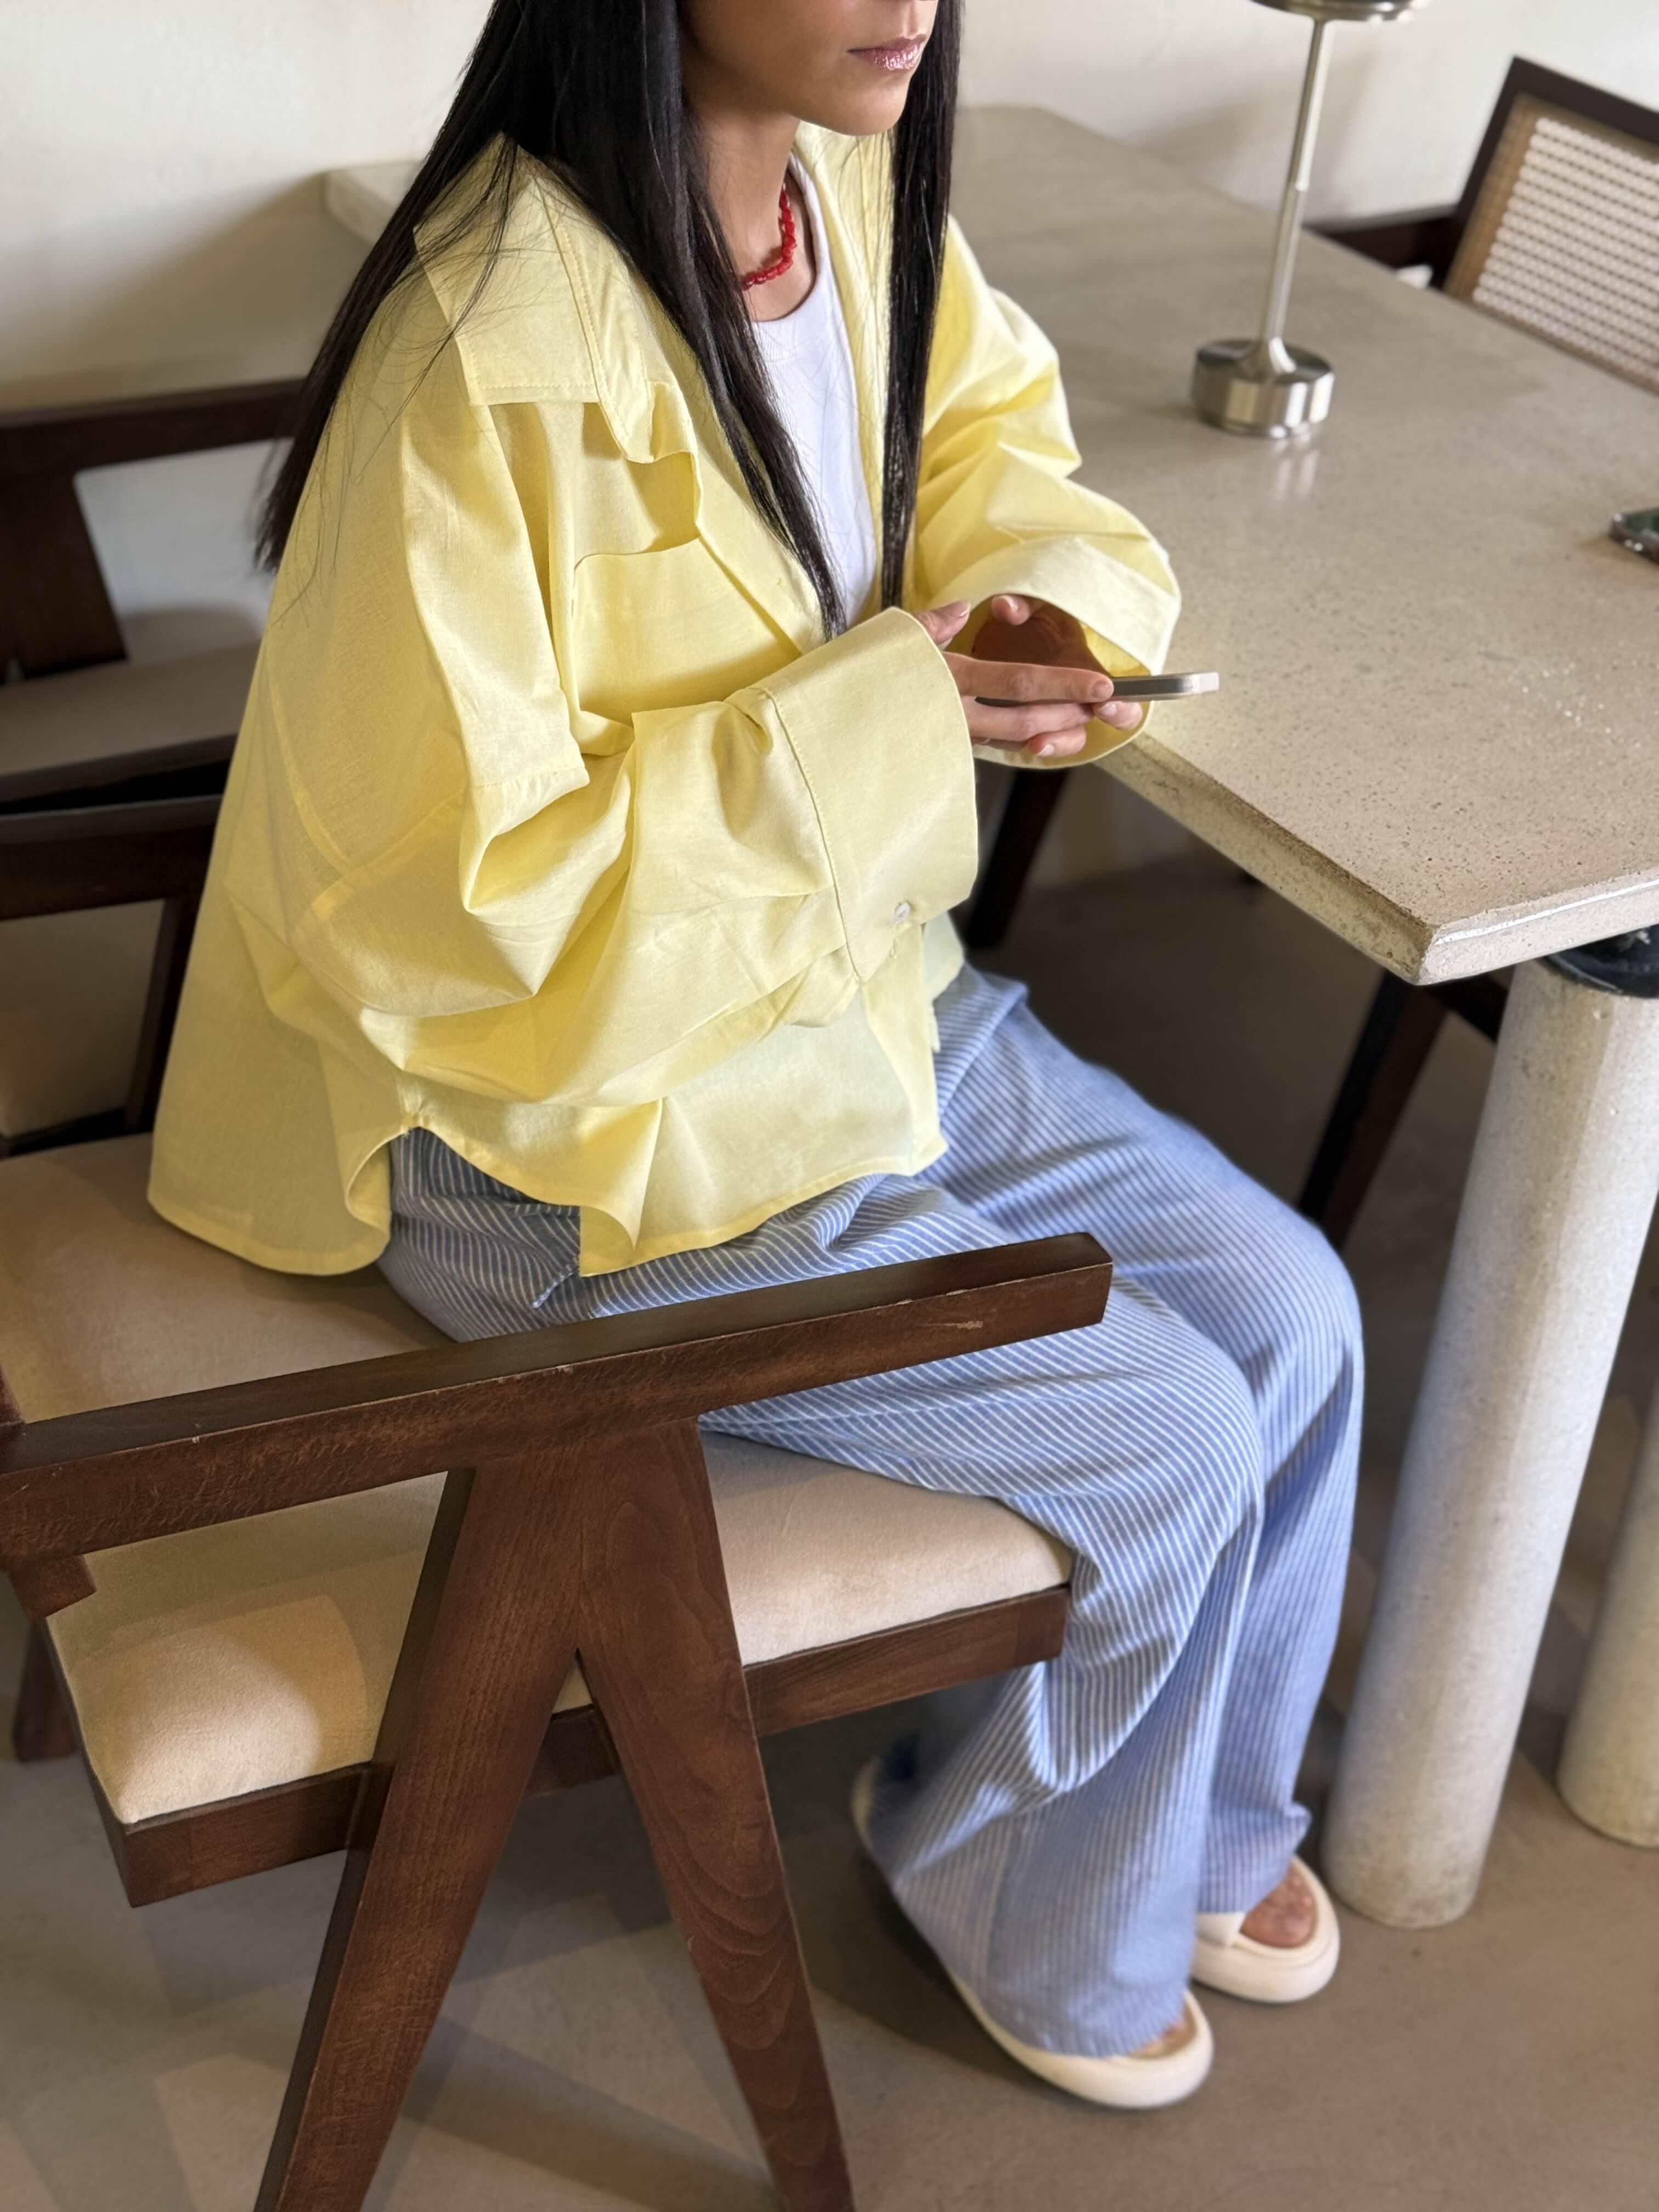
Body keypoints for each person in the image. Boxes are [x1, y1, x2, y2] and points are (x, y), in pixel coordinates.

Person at [150, 0, 1362, 2109]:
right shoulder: (476, 356)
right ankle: (1018, 1893)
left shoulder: (853, 201)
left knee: (1298, 1313)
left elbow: (996, 457)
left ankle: (1199, 1832)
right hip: (553, 1138)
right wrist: (890, 711)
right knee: (1172, 1433)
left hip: (847, 997)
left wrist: (1040, 609)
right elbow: (449, 923)